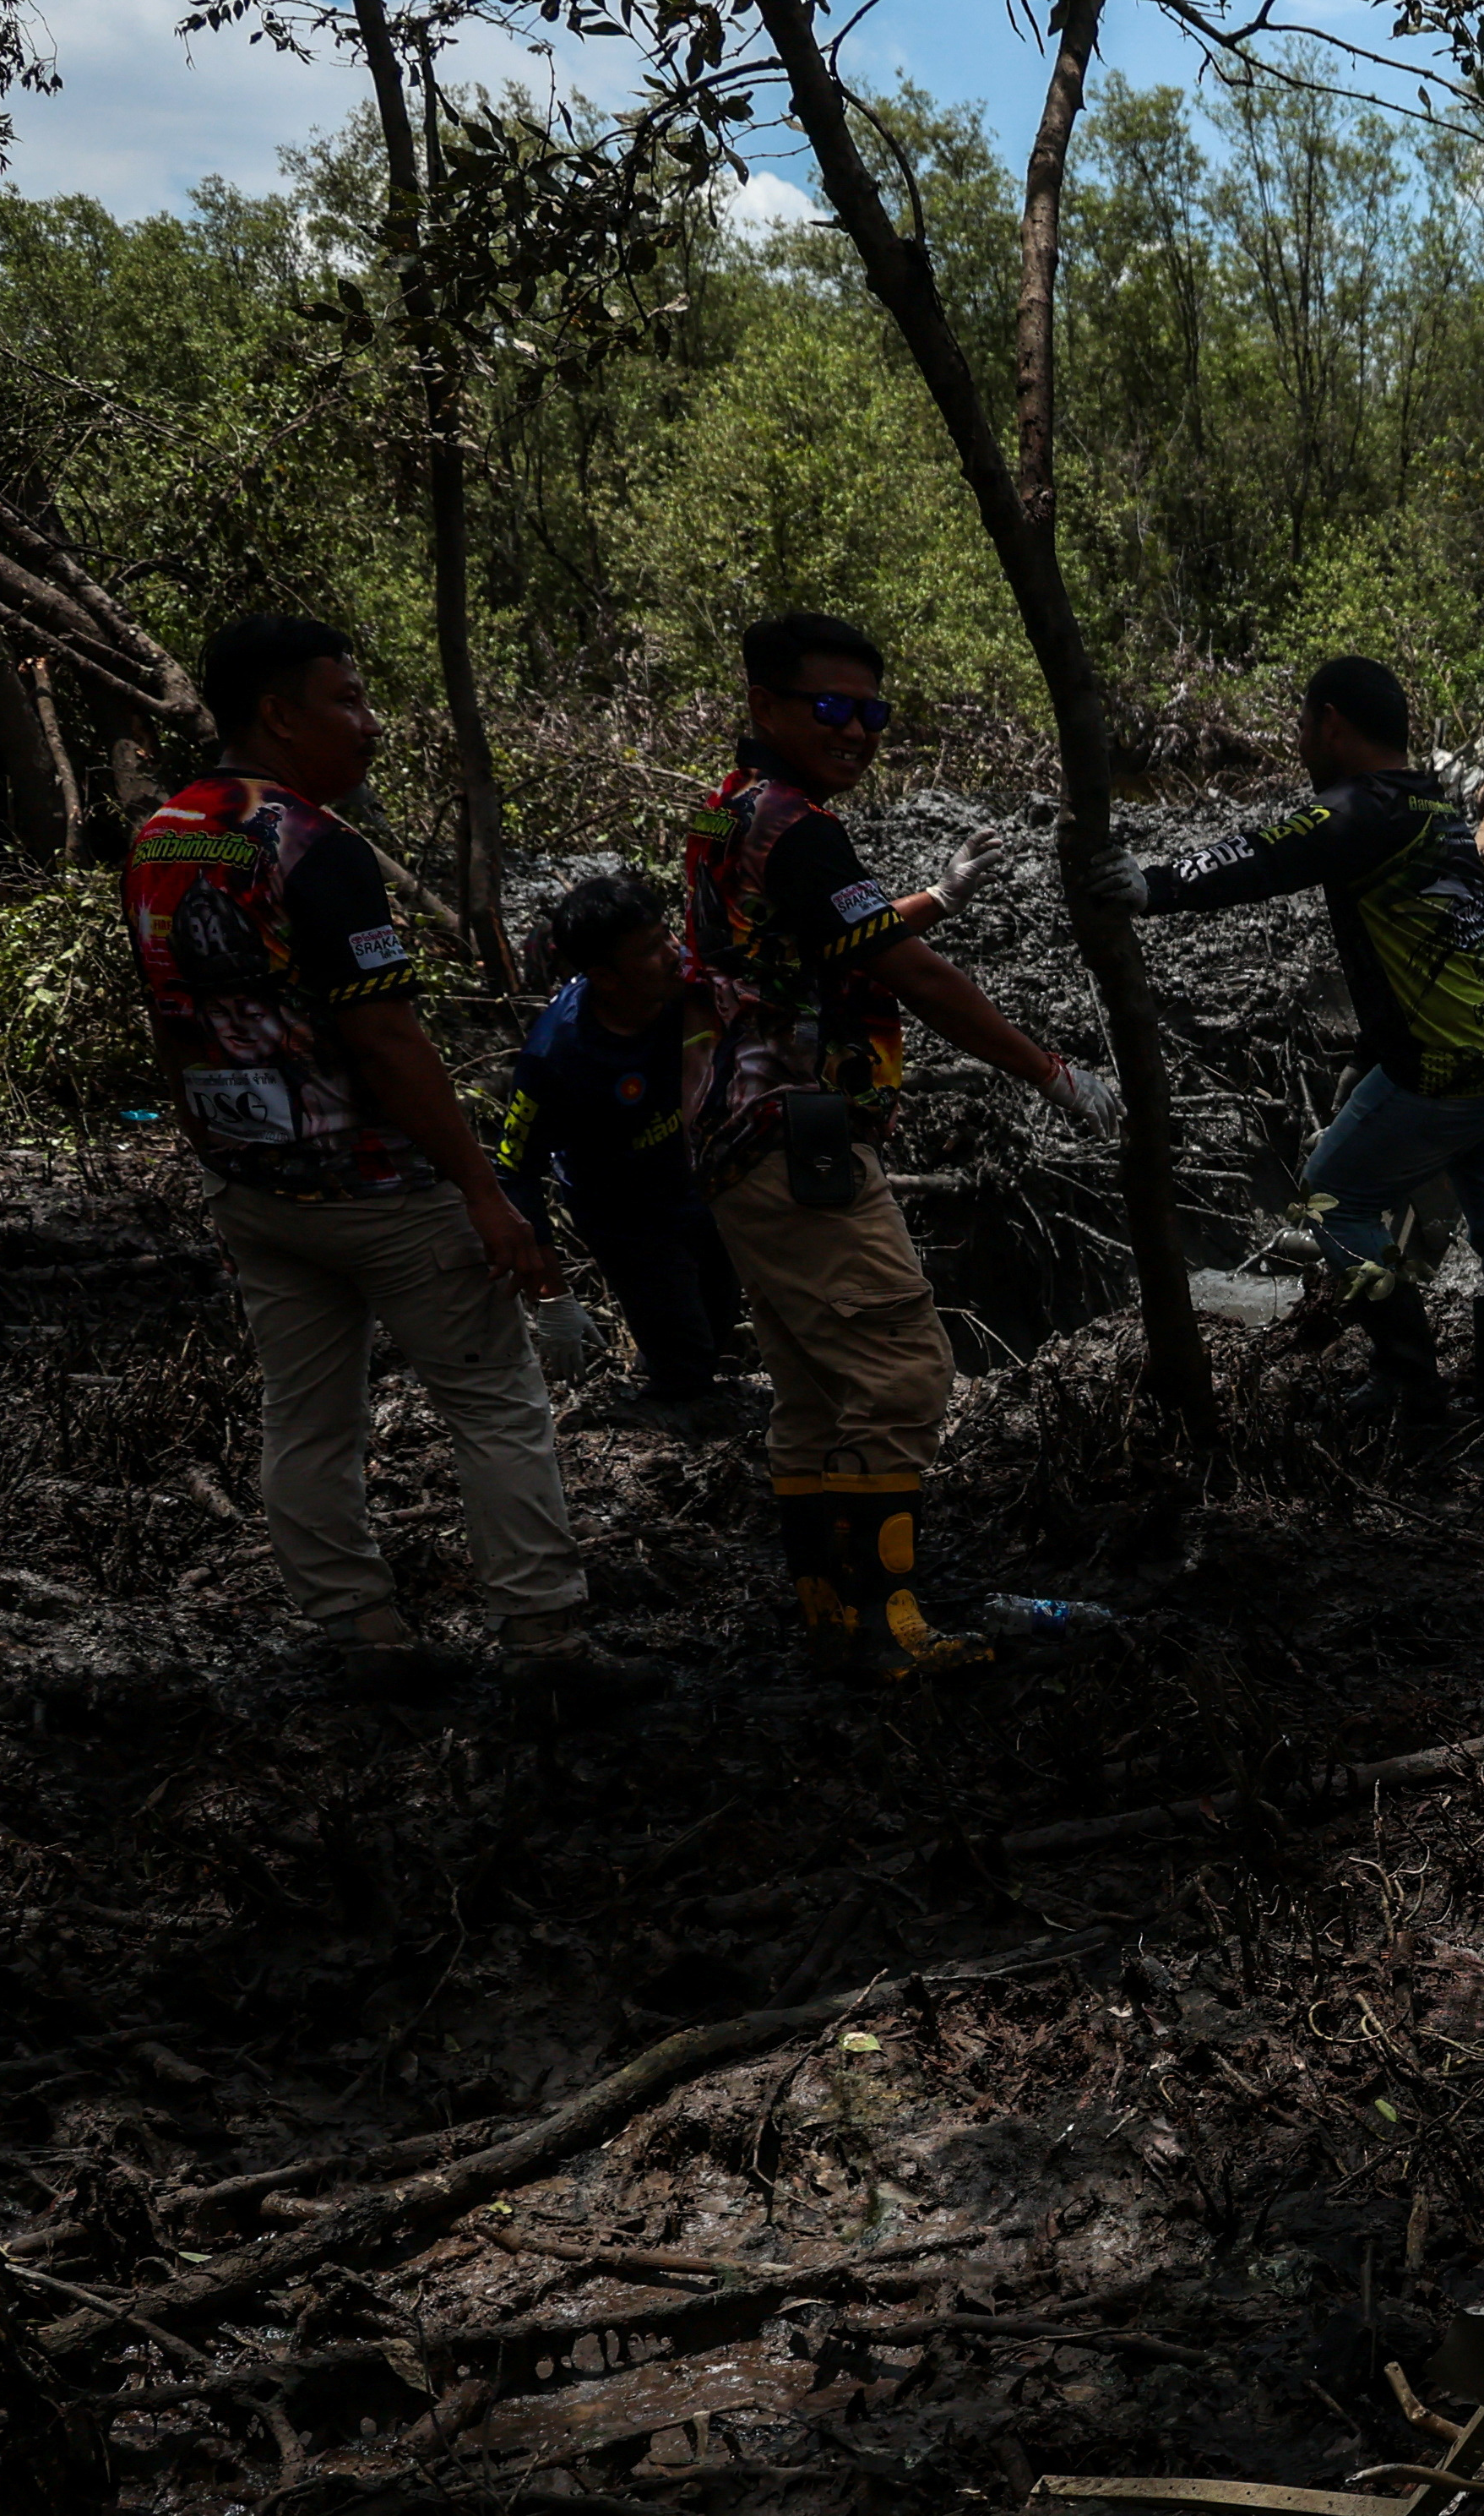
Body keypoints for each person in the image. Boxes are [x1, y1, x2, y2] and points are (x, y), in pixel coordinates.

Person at [125, 613, 653, 1720]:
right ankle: (547, 1635)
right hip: (378, 1186)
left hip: (256, 1188)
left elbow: (173, 1023)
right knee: (496, 1402)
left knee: (305, 1413)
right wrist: (481, 1190)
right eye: (349, 703)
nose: (371, 728)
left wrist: (217, 1152)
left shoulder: (163, 837)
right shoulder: (316, 847)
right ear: (278, 713)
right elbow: (389, 1040)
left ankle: (359, 1630)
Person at [685, 609, 1121, 1683]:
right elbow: (907, 974)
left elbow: (833, 932)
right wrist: (1050, 1071)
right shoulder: (799, 826)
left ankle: (833, 1616)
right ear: (765, 705)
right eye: (832, 708)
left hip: (740, 1132)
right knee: (902, 1372)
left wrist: (938, 895)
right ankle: (891, 1630)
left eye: (873, 712)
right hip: (799, 1133)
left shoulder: (733, 811)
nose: (857, 730)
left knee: (814, 1389)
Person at [1078, 655, 1484, 1419]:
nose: (1299, 743)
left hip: (1453, 1066)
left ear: (1330, 722)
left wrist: (1152, 887)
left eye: (1302, 727)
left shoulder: (1359, 810)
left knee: (1334, 1203)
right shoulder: (1432, 810)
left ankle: (1410, 1380)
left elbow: (1268, 854)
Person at [494, 867, 753, 1437]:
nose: (672, 954)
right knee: (683, 1347)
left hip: (699, 1185)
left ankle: (681, 1391)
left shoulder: (692, 987)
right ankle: (667, 1425)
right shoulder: (556, 1055)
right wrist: (551, 1293)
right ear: (605, 976)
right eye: (650, 949)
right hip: (624, 1214)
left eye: (668, 936)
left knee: (717, 1318)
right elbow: (514, 1169)